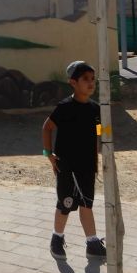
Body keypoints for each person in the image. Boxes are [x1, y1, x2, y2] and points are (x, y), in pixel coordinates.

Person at [42, 60, 106, 261]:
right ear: (73, 83)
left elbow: (100, 129)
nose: (90, 83)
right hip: (67, 166)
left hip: (88, 166)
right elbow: (47, 128)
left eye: (93, 79)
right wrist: (48, 154)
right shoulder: (65, 107)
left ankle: (92, 243)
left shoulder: (96, 109)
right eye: (85, 79)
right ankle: (57, 239)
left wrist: (103, 141)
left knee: (87, 204)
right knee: (65, 204)